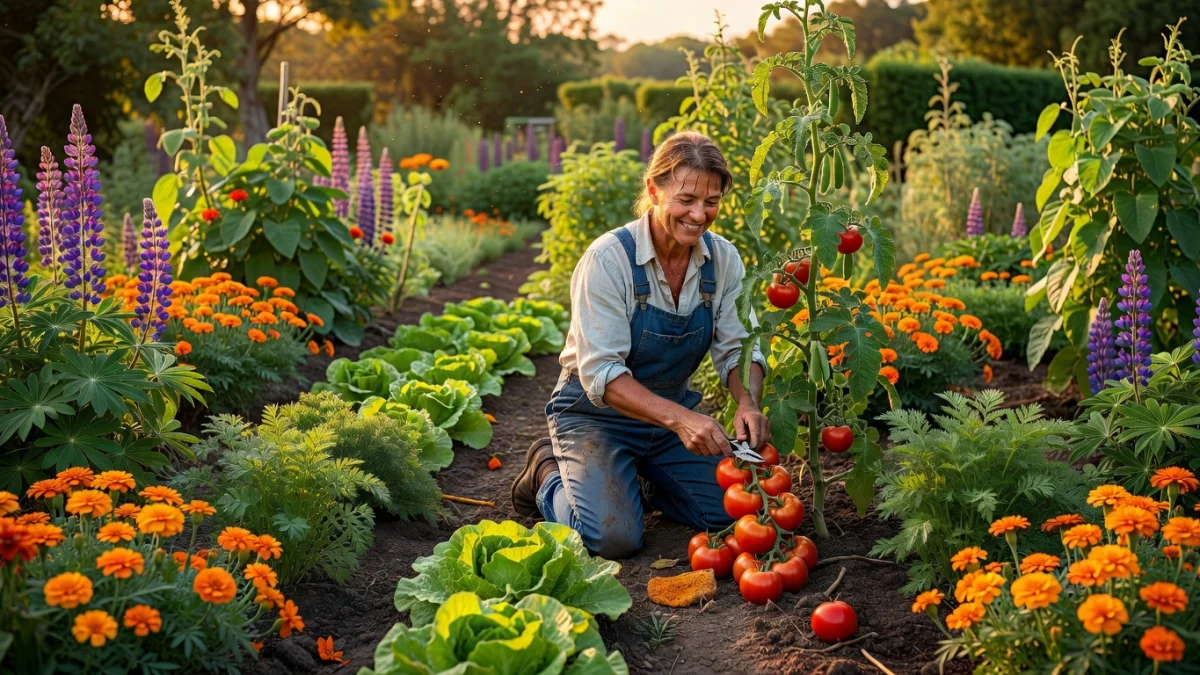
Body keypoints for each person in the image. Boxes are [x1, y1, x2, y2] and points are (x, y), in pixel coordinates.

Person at [511, 131, 770, 559]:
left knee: (738, 510)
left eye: (711, 202)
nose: (699, 214)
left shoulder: (723, 260)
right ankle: (548, 476)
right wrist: (682, 421)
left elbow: (740, 348)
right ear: (653, 189)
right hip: (596, 418)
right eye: (686, 199)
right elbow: (602, 374)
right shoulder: (608, 260)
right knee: (613, 539)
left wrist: (748, 403)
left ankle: (643, 482)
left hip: (668, 420)